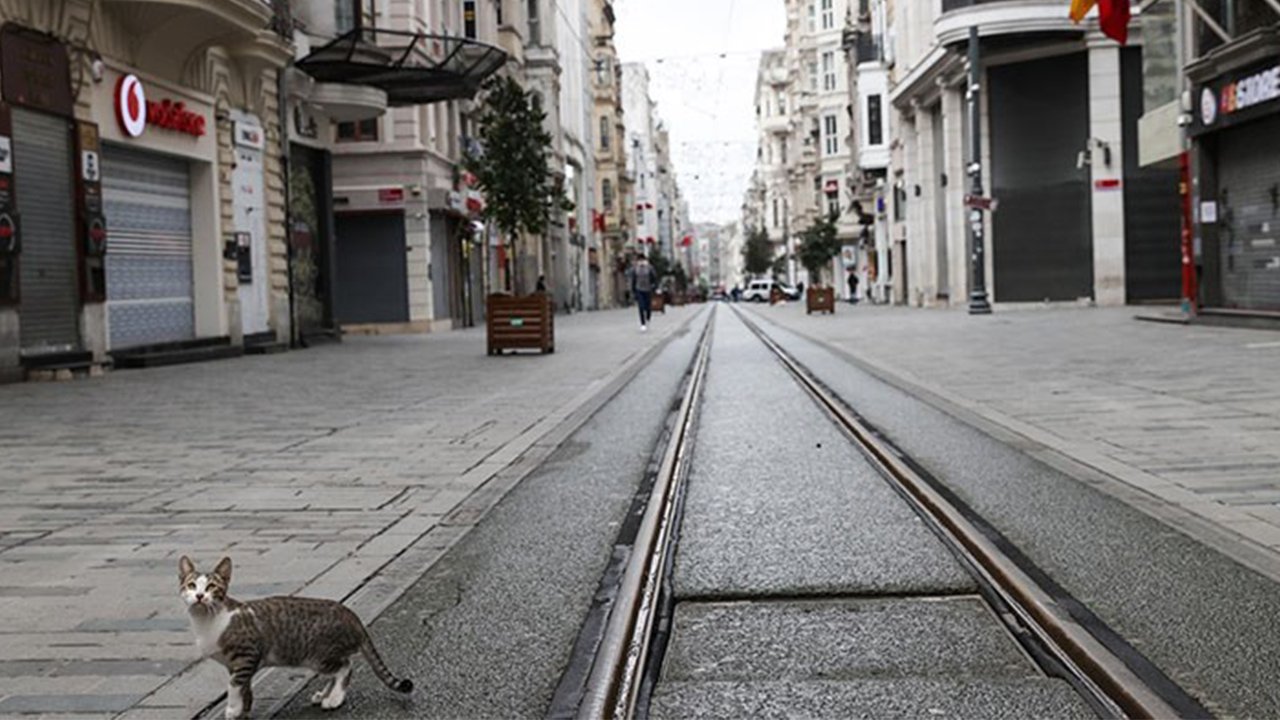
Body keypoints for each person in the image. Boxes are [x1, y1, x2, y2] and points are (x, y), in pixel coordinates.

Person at [627, 254, 658, 331]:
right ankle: (643, 323)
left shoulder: (649, 268)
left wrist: (654, 286)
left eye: (642, 260)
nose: (641, 262)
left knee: (648, 307)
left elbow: (654, 278)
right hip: (639, 289)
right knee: (641, 306)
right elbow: (633, 280)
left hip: (648, 289)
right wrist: (633, 290)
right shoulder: (635, 269)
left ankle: (647, 318)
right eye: (639, 260)